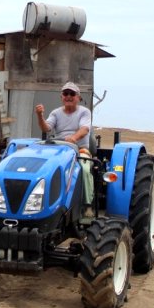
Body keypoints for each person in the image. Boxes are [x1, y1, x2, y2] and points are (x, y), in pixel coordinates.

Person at [35, 81, 94, 217]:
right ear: (61, 97)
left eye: (72, 94)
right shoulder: (55, 113)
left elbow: (84, 129)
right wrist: (39, 116)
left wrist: (73, 138)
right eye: (65, 93)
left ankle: (87, 205)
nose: (68, 96)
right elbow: (46, 128)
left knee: (84, 169)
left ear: (78, 97)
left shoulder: (84, 112)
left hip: (79, 149)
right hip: (60, 149)